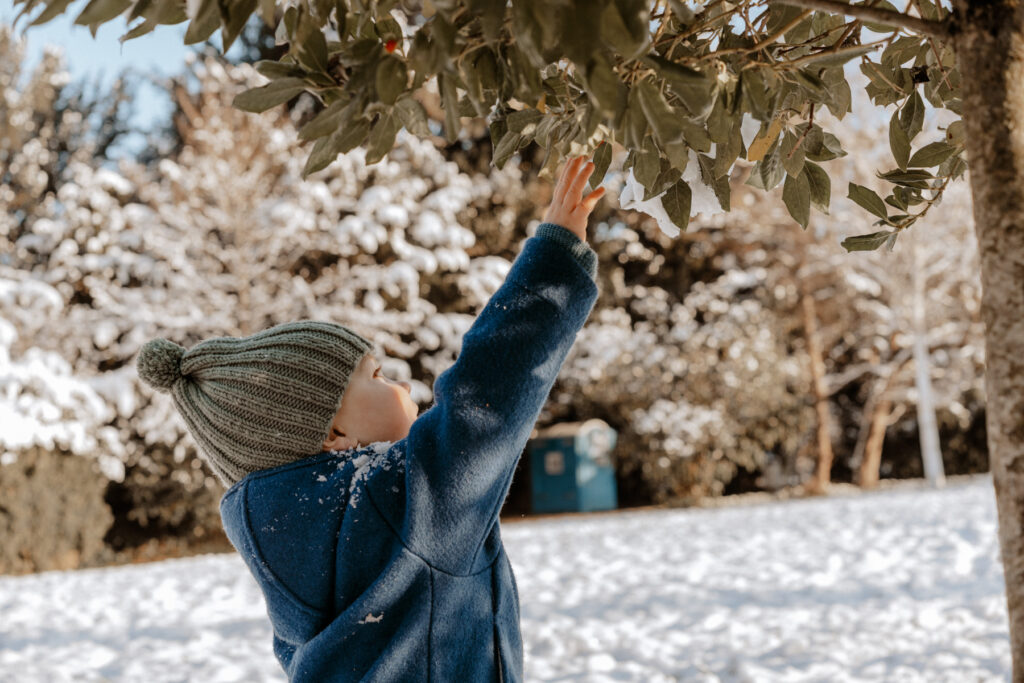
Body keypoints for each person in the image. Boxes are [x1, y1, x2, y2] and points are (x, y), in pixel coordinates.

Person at [135, 154, 605, 681]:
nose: (401, 384)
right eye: (377, 375)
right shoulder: (401, 501)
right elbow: (484, 398)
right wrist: (553, 266)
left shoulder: (288, 546)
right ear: (335, 434)